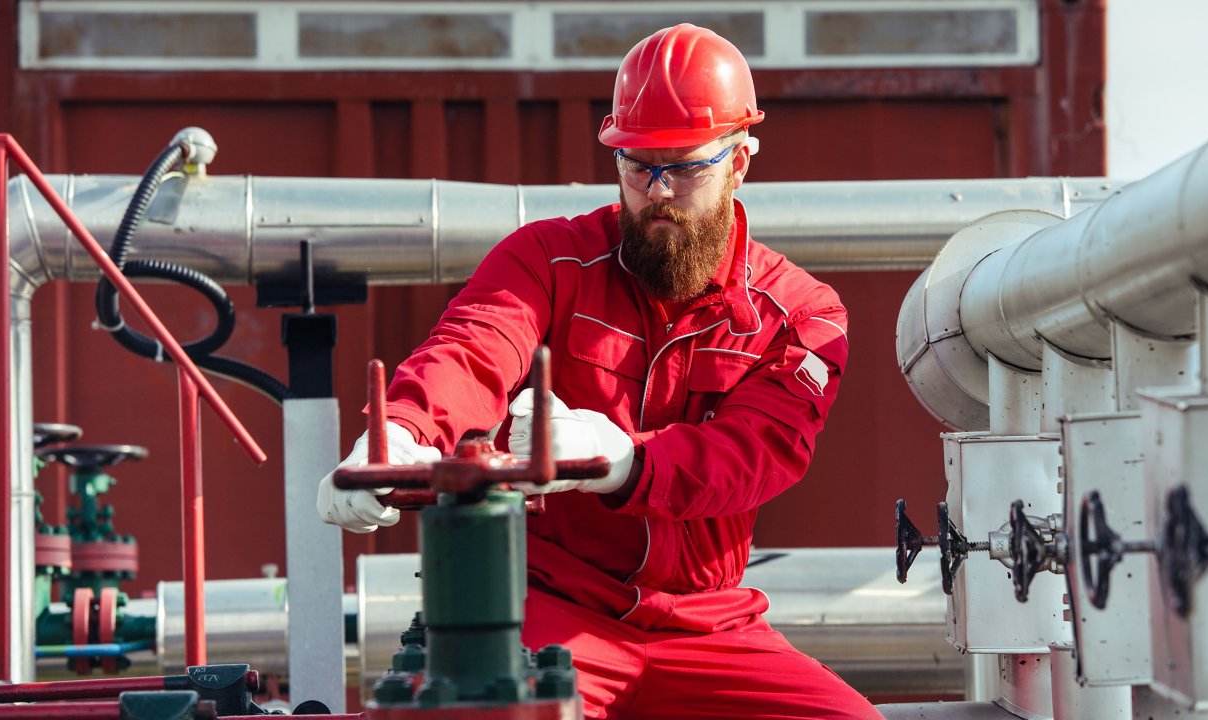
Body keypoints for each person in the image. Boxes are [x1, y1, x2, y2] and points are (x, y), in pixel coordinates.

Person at [318, 24, 881, 720]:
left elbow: (758, 453)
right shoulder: (549, 261)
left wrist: (626, 461)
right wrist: (401, 437)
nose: (657, 191)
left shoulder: (799, 313)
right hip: (554, 608)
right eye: (637, 166)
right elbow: (471, 351)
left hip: (709, 625)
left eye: (684, 166)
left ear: (740, 161)